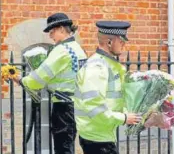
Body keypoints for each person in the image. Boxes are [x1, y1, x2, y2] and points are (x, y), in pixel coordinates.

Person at [14, 13, 87, 154]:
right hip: (77, 104)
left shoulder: (61, 51)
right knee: (68, 145)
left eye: (52, 31)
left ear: (61, 29)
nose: (50, 35)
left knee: (62, 148)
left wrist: (21, 79)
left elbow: (37, 80)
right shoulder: (77, 48)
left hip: (63, 106)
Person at [73, 20, 142, 154]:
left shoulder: (110, 65)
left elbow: (117, 98)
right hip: (96, 138)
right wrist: (125, 118)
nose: (124, 45)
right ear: (109, 42)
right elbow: (95, 108)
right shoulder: (97, 67)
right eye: (121, 41)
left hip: (101, 134)